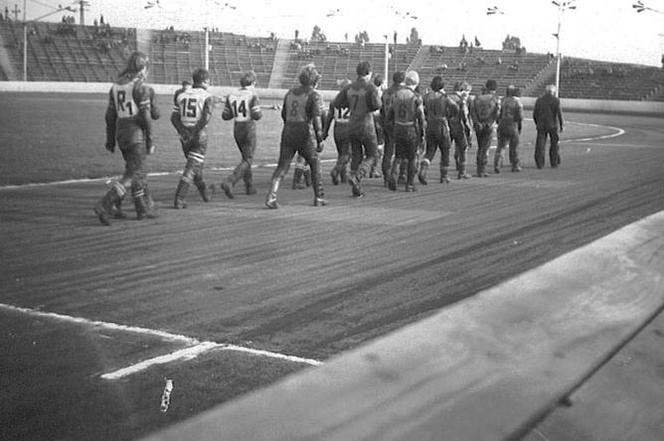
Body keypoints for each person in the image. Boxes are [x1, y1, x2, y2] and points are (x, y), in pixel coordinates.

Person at [94, 51, 157, 225]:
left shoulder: (116, 86)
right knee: (133, 173)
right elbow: (146, 117)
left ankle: (141, 209)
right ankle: (105, 204)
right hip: (135, 133)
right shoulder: (141, 87)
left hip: (121, 133)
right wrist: (150, 139)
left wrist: (110, 139)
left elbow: (110, 116)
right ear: (142, 68)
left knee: (136, 171)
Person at [265, 64, 327, 208]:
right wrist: (320, 139)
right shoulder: (314, 95)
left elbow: (283, 114)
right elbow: (317, 119)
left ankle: (271, 196)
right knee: (315, 162)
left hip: (288, 131)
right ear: (314, 81)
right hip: (304, 132)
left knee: (282, 166)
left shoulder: (289, 93)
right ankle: (319, 197)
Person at [332, 60, 382, 197]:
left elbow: (337, 102)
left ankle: (356, 186)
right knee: (372, 154)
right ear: (369, 73)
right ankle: (358, 176)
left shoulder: (349, 88)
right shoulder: (370, 87)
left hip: (351, 124)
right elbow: (377, 105)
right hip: (366, 124)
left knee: (356, 155)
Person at [170, 68, 214, 208]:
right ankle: (179, 198)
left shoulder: (181, 95)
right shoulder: (207, 96)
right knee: (191, 168)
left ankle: (205, 192)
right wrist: (193, 132)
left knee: (195, 167)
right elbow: (205, 118)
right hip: (199, 136)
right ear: (206, 81)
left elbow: (174, 118)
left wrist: (183, 131)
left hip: (184, 137)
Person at [217, 70, 263, 198]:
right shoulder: (253, 94)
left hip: (237, 127)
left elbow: (226, 116)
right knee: (248, 159)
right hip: (248, 127)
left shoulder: (232, 95)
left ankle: (249, 186)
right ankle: (230, 180)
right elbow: (257, 115)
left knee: (245, 157)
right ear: (253, 82)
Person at [386, 70, 426, 192]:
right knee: (412, 157)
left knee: (398, 155)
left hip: (398, 127)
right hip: (410, 128)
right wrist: (422, 133)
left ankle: (393, 176)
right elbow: (421, 116)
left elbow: (390, 114)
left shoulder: (395, 95)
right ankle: (409, 184)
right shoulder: (416, 97)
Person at [420, 75, 454, 184]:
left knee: (430, 150)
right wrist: (449, 115)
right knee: (445, 150)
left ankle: (423, 169)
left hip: (430, 125)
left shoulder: (426, 97)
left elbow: (421, 108)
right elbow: (455, 108)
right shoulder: (444, 97)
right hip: (442, 125)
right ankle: (444, 176)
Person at [323, 78, 352, 185]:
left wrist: (325, 132)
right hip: (348, 128)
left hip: (337, 129)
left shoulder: (334, 101)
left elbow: (329, 118)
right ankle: (336, 170)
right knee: (348, 154)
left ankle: (343, 176)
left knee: (341, 153)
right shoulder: (352, 100)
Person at [469, 79, 500, 177]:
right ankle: (482, 169)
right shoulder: (495, 98)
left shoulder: (477, 98)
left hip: (479, 125)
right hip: (489, 125)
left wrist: (476, 122)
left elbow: (472, 111)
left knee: (480, 146)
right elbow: (498, 112)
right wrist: (493, 122)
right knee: (485, 147)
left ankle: (479, 168)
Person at [380, 71, 405, 186]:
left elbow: (381, 110)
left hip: (387, 123)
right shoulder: (403, 92)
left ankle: (386, 176)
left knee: (388, 151)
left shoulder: (385, 92)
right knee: (401, 151)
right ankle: (399, 175)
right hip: (399, 123)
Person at [533, 84, 564, 168]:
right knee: (554, 144)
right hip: (553, 125)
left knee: (540, 145)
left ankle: (539, 163)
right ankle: (554, 162)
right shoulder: (556, 100)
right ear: (553, 92)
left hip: (541, 125)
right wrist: (561, 125)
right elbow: (559, 114)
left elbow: (535, 114)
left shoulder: (539, 100)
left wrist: (537, 122)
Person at [495, 85, 523, 173]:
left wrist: (498, 122)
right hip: (512, 125)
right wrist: (519, 127)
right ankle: (515, 165)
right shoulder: (517, 102)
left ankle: (497, 164)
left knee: (501, 146)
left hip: (502, 124)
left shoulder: (502, 100)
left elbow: (497, 114)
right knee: (514, 146)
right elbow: (520, 116)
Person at [448, 81, 473, 180]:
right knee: (463, 148)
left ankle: (444, 174)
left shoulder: (447, 98)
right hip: (459, 127)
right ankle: (462, 172)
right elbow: (465, 116)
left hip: (447, 126)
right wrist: (469, 129)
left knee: (446, 149)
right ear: (463, 90)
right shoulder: (461, 100)